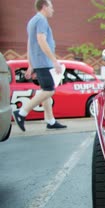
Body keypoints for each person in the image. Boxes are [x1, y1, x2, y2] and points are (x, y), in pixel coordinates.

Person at [12, 0, 66, 131]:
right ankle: (21, 112)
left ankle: (50, 120)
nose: (53, 10)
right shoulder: (41, 20)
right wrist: (54, 61)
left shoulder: (32, 21)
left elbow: (30, 44)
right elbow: (41, 41)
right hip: (43, 62)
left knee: (44, 90)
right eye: (51, 7)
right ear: (44, 7)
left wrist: (30, 64)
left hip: (38, 62)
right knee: (49, 90)